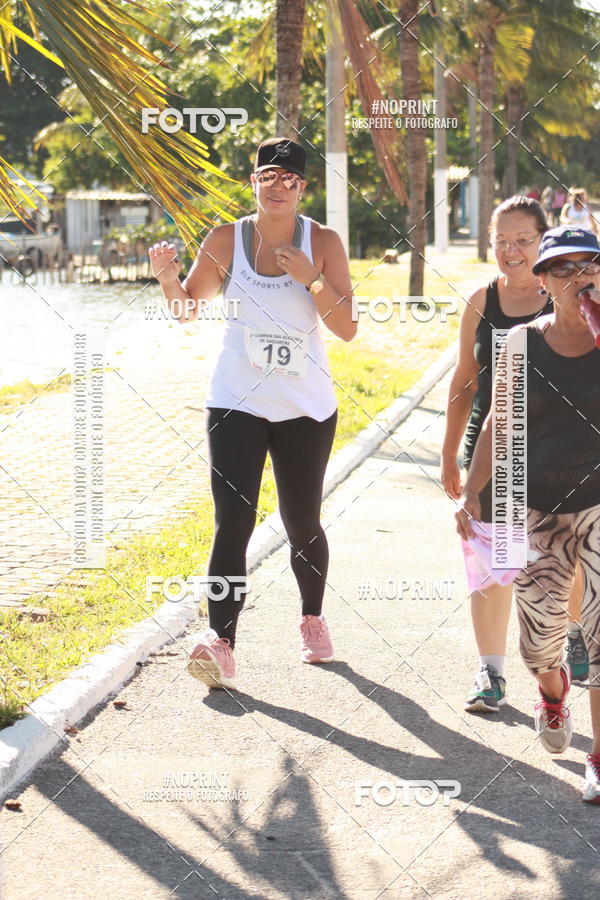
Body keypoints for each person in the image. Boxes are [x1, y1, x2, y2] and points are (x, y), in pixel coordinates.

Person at [149, 137, 356, 689]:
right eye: (269, 176)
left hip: (305, 406)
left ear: (303, 187)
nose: (279, 186)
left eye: (290, 179)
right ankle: (222, 644)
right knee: (232, 521)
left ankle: (311, 619)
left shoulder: (326, 241)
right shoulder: (227, 239)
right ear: (254, 182)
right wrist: (169, 277)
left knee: (301, 521)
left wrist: (310, 277)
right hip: (236, 399)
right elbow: (187, 309)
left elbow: (348, 327)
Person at [455, 225, 600, 803]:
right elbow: (496, 423)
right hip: (530, 508)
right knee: (538, 645)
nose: (579, 277)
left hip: (597, 507)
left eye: (590, 265)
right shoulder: (517, 343)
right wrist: (470, 493)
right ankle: (552, 689)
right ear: (543, 281)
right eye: (563, 268)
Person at [441, 196, 585, 715]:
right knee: (493, 562)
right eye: (501, 241)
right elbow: (465, 380)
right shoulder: (482, 300)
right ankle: (492, 672)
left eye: (523, 240)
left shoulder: (567, 297)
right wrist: (450, 456)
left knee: (563, 564)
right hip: (495, 448)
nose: (511, 251)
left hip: (557, 456)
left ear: (544, 244)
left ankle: (572, 640)